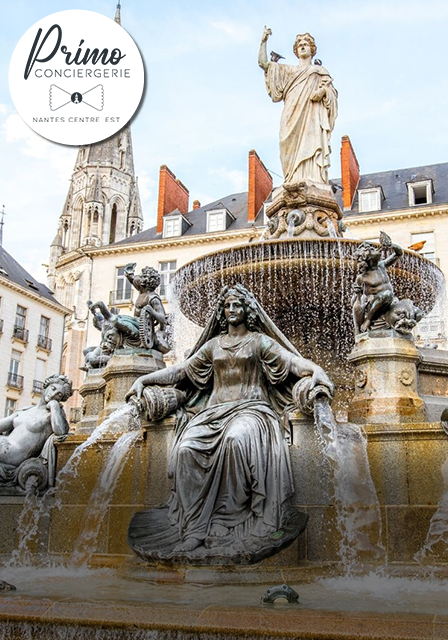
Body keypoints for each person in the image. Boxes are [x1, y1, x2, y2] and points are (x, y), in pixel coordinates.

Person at [126, 284, 333, 560]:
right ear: (222, 312)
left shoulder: (259, 341)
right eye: (227, 306)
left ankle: (228, 520)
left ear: (247, 310)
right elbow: (180, 371)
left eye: (237, 305)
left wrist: (316, 369)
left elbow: (292, 362)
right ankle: (194, 529)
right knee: (186, 450)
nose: (232, 310)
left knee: (236, 440)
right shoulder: (213, 345)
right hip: (213, 413)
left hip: (252, 411)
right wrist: (144, 379)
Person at [259, 28, 338, 186]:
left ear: (312, 49)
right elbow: (263, 63)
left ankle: (313, 177)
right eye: (300, 44)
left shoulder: (319, 71)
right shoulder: (288, 71)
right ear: (296, 50)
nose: (302, 46)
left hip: (312, 115)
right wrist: (263, 41)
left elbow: (332, 94)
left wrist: (322, 91)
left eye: (306, 44)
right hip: (291, 115)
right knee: (285, 145)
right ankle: (291, 179)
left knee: (312, 142)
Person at [0, 374, 72, 469]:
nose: (54, 395)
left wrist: (55, 406)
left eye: (59, 395)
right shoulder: (25, 411)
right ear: (46, 387)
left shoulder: (53, 415)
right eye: (53, 389)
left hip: (12, 454)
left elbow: (61, 432)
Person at [352, 233, 403, 334]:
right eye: (371, 249)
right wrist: (357, 295)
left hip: (389, 302)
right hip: (373, 306)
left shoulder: (381, 265)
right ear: (368, 258)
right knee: (387, 294)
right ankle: (368, 320)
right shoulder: (362, 277)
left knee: (415, 311)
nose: (376, 249)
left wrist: (391, 245)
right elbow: (355, 301)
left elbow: (398, 253)